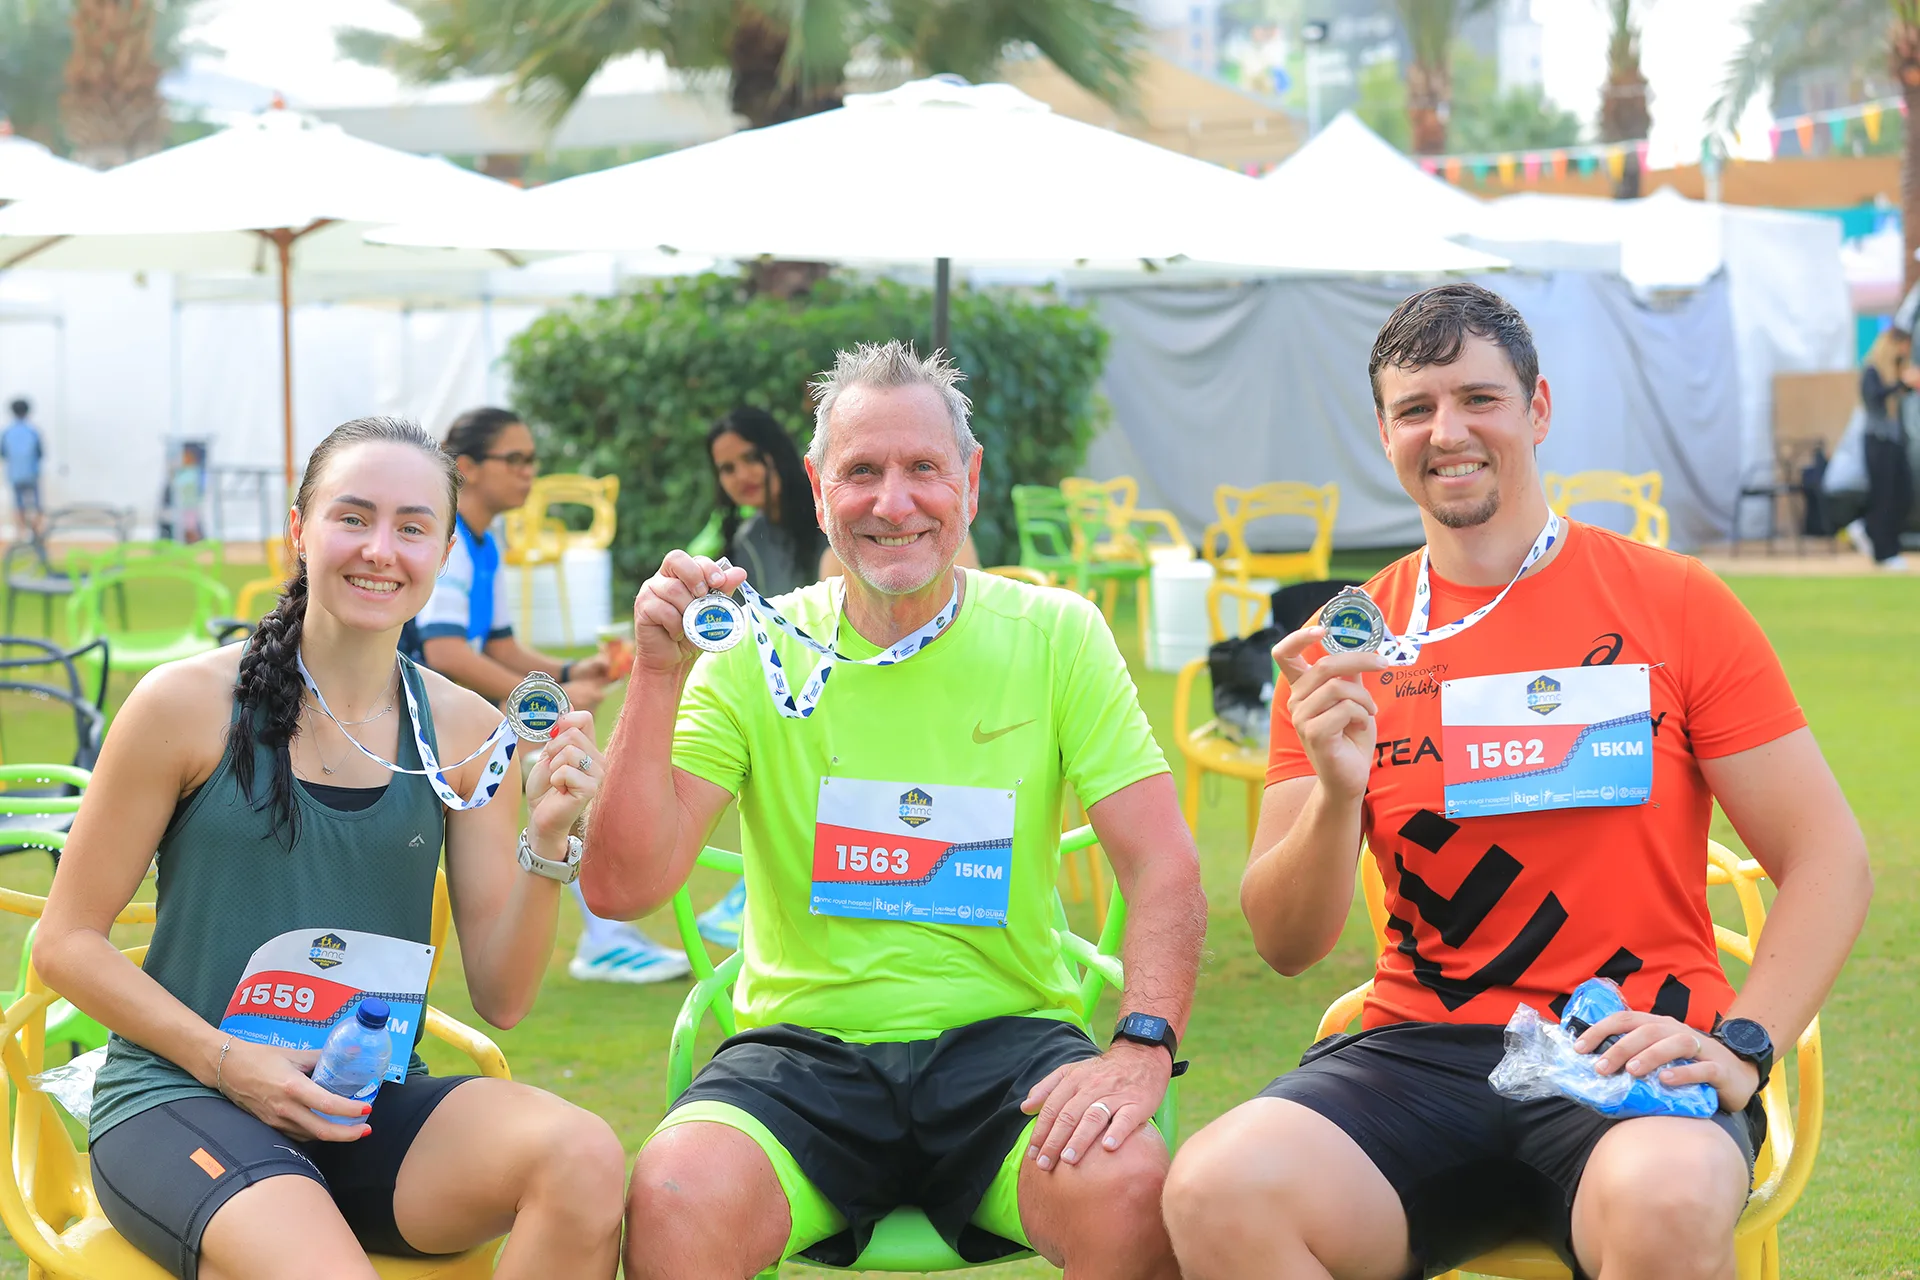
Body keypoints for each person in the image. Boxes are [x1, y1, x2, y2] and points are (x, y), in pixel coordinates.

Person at [1162, 284, 1873, 1280]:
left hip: (1629, 1045)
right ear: (1384, 432)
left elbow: (1831, 856)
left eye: (1478, 398)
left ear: (1538, 409)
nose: (1447, 431)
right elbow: (1286, 941)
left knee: (1664, 1201)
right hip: (1422, 1052)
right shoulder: (1345, 646)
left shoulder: (1675, 603)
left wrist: (1746, 1044)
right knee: (1214, 1187)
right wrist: (1335, 792)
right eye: (1416, 408)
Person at [585, 341, 1206, 1280]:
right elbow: (623, 885)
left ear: (971, 477)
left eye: (923, 468)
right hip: (801, 1054)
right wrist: (660, 673)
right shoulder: (753, 648)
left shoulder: (1056, 635)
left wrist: (1142, 1042)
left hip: (1006, 1047)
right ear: (815, 484)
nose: (894, 502)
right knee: (674, 1196)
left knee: (1129, 1188)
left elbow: (1162, 863)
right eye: (861, 472)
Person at [34, 415, 626, 1280]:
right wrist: (234, 1067)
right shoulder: (183, 706)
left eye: (413, 527)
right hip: (183, 1097)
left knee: (584, 1158)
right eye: (353, 517)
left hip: (364, 1105)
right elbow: (65, 942)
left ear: (444, 551)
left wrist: (545, 842)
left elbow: (502, 993)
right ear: (300, 531)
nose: (380, 550)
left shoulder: (465, 729)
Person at [413, 406, 689, 985]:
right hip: (422, 727)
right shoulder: (454, 541)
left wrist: (568, 669)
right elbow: (446, 653)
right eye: (515, 460)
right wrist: (556, 696)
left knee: (572, 779)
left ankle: (605, 935)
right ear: (467, 468)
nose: (529, 472)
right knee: (574, 778)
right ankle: (605, 938)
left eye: (532, 460)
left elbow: (500, 644)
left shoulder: (485, 542)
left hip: (461, 722)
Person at [691, 407, 831, 946]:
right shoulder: (744, 539)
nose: (742, 474)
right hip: (774, 681)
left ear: (778, 452)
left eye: (752, 457)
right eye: (727, 468)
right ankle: (757, 892)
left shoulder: (826, 520)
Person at [1858, 327, 1914, 571]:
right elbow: (1874, 397)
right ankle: (1884, 551)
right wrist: (1901, 383)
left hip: (1894, 441)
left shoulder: (1895, 373)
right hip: (1878, 441)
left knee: (1904, 494)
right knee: (1884, 498)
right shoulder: (1872, 371)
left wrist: (1907, 384)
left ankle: (1872, 532)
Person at [4, 397, 43, 540]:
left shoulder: (7, 432)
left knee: (18, 504)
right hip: (31, 473)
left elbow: (3, 453)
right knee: (36, 504)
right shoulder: (33, 431)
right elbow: (40, 453)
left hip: (15, 474)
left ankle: (21, 535)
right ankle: (36, 533)